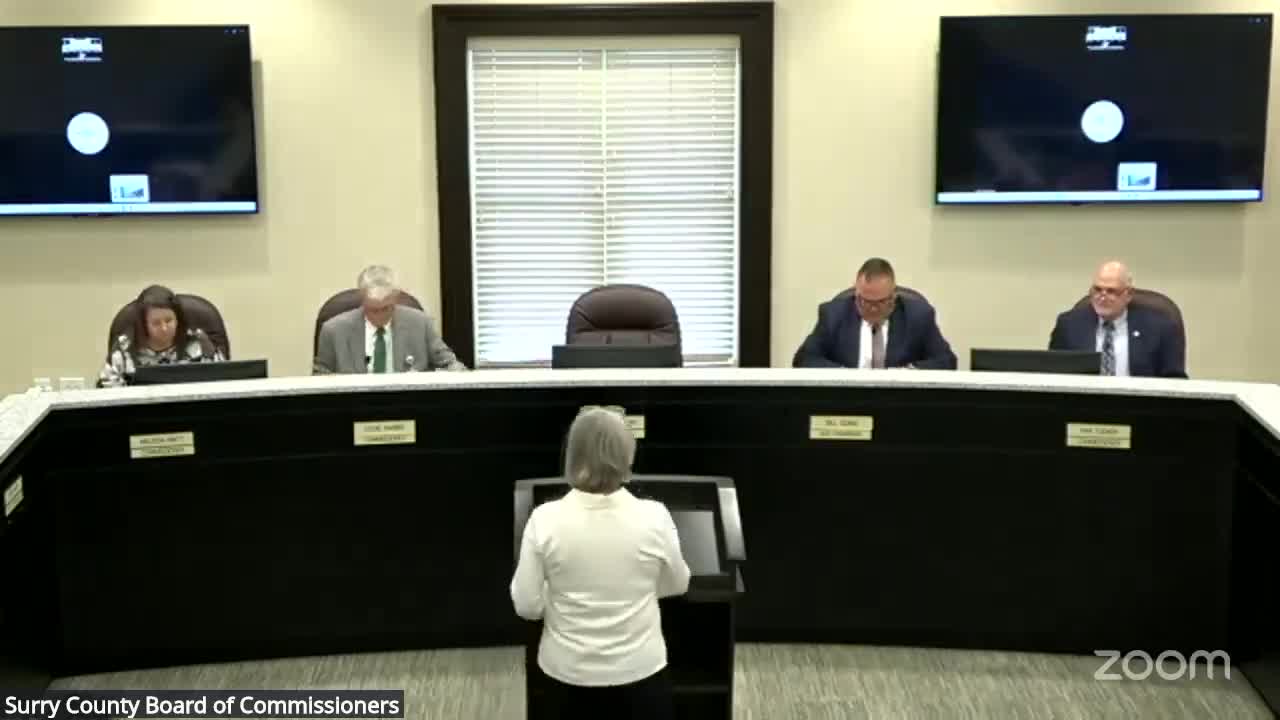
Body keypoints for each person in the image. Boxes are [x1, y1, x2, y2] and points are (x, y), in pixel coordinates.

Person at [510, 408, 690, 720]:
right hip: (641, 674)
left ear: (573, 457)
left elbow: (526, 605)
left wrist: (557, 599)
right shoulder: (655, 517)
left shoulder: (544, 520)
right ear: (627, 457)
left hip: (566, 676)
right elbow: (678, 584)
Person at [792, 257, 957, 369]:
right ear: (856, 293)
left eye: (880, 302)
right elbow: (804, 359)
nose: (872, 309)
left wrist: (908, 373)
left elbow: (946, 360)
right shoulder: (833, 315)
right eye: (864, 301)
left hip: (900, 401)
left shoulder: (918, 316)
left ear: (894, 296)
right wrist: (843, 374)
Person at [312, 265, 466, 374]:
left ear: (395, 299)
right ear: (362, 299)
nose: (379, 316)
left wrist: (451, 371)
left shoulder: (420, 323)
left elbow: (450, 364)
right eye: (373, 310)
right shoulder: (333, 330)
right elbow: (320, 377)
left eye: (386, 308)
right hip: (354, 405)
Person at [1049, 260, 1187, 378]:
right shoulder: (1069, 325)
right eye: (1097, 289)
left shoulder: (1160, 329)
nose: (1102, 297)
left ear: (1129, 294)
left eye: (1111, 291)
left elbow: (1175, 380)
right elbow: (1053, 375)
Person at [99, 285, 224, 388]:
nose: (164, 328)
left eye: (169, 321)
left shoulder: (198, 342)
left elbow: (221, 381)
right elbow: (107, 389)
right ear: (143, 325)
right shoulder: (124, 348)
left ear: (178, 319)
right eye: (156, 323)